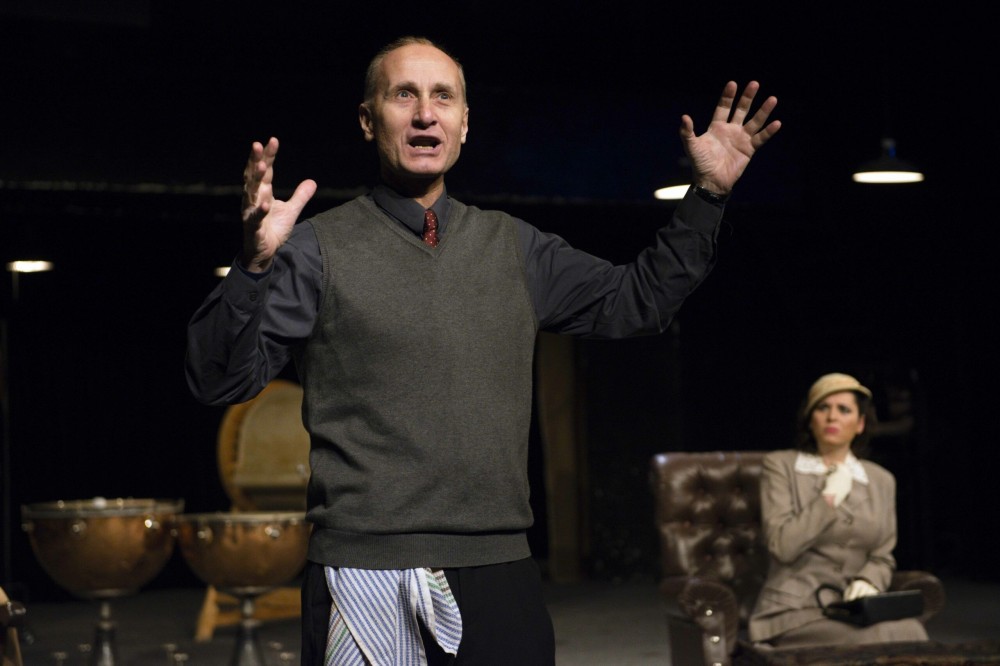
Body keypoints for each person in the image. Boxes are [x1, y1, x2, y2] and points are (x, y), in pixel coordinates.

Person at [186, 35, 781, 665]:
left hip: (500, 575)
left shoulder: (513, 247)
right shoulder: (316, 249)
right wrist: (252, 268)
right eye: (404, 95)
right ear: (368, 119)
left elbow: (640, 301)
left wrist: (708, 197)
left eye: (443, 97)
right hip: (365, 571)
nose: (425, 113)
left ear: (464, 124)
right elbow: (218, 379)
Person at [748, 373, 930, 648]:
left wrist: (869, 580)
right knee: (877, 639)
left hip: (852, 609)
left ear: (860, 424)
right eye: (823, 408)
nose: (832, 417)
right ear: (810, 420)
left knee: (912, 631)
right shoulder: (782, 466)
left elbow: (882, 556)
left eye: (844, 410)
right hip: (793, 611)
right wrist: (828, 499)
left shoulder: (880, 480)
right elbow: (782, 546)